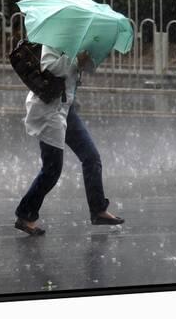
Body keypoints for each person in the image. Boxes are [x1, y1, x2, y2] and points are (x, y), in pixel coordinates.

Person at [14, 44, 124, 236]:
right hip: (49, 109)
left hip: (66, 109)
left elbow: (85, 69)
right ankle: (25, 215)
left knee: (91, 158)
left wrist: (89, 58)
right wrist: (74, 60)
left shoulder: (79, 39)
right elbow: (49, 67)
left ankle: (98, 210)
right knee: (52, 169)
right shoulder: (53, 39)